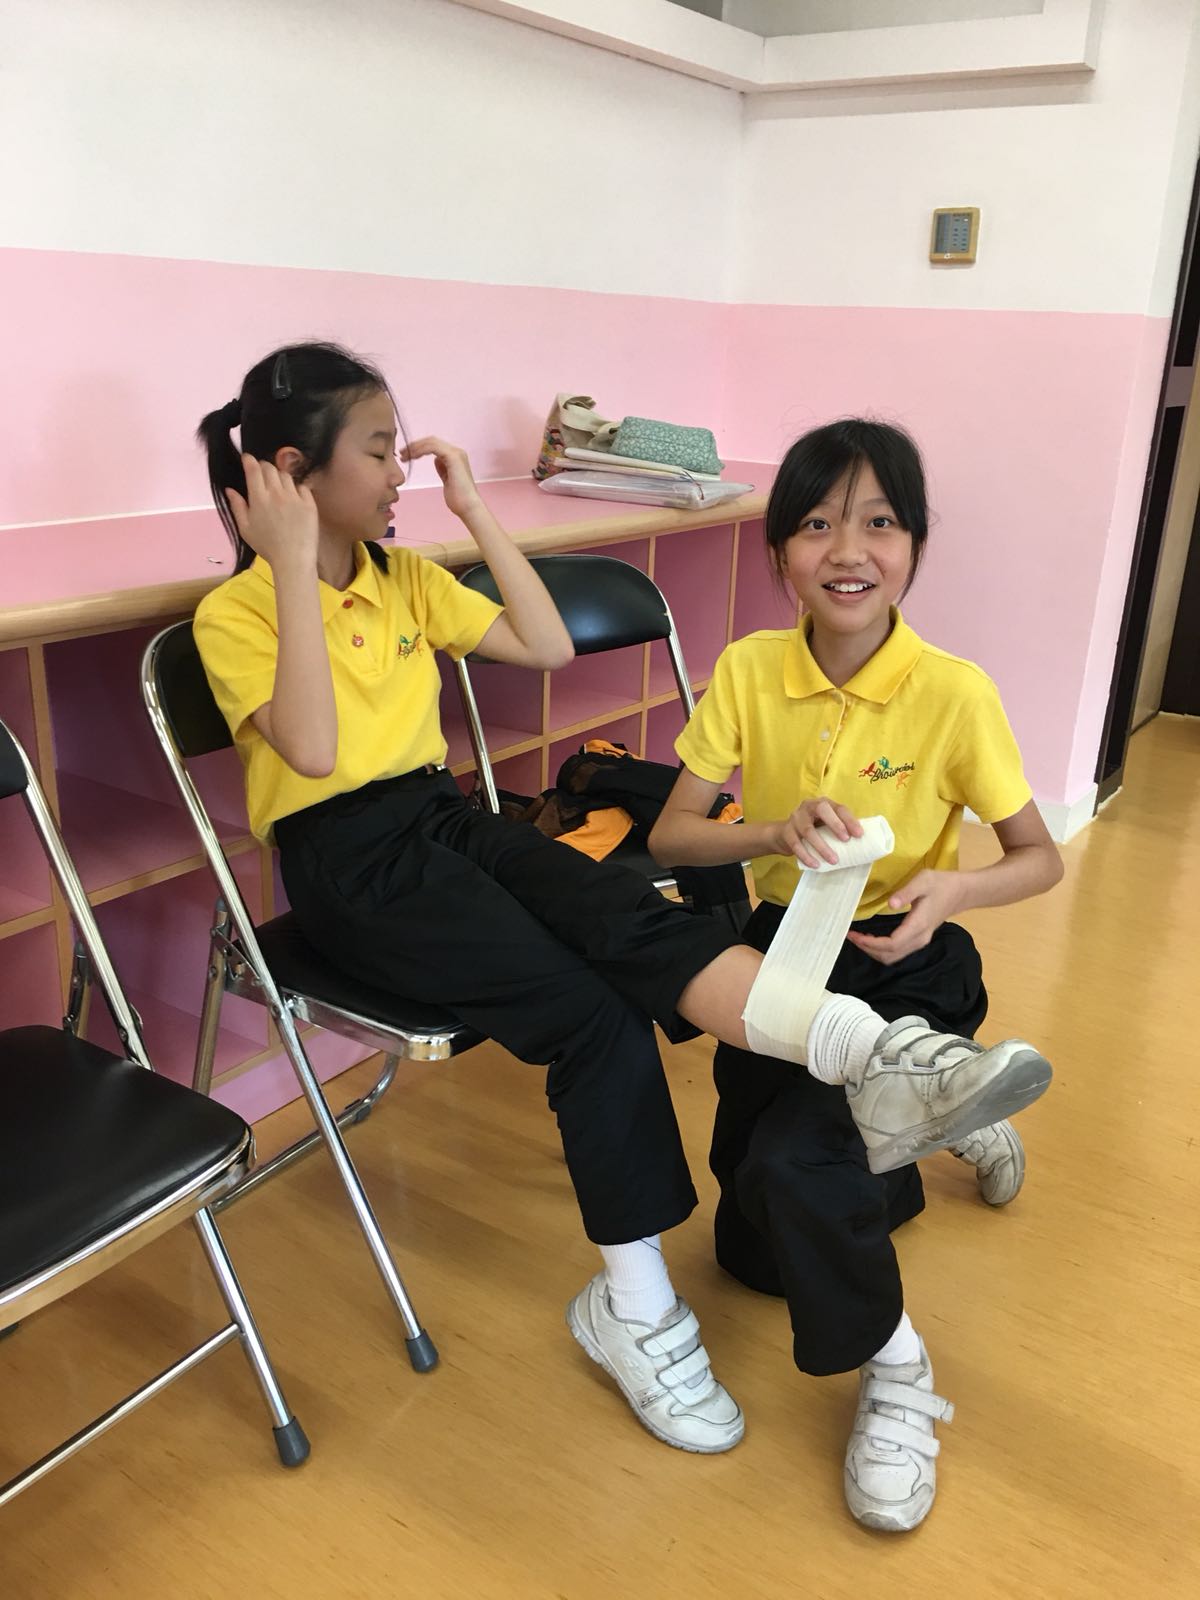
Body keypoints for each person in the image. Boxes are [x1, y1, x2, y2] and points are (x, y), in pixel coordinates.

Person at [193, 348, 1051, 1467]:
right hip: (351, 861)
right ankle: (634, 1305)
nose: (402, 467)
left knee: (618, 910)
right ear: (295, 472)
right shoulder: (237, 612)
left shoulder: (402, 577)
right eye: (379, 448)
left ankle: (872, 1051)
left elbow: (545, 646)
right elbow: (309, 750)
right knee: (593, 1014)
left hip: (443, 814)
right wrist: (287, 562)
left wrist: (473, 512)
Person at [650, 417, 1063, 1529]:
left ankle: (898, 1373)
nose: (849, 550)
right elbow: (671, 835)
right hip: (785, 962)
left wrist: (952, 890)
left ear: (915, 545)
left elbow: (1040, 857)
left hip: (906, 966)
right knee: (751, 1254)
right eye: (819, 524)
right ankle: (942, 1112)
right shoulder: (749, 670)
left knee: (798, 1166)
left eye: (880, 523)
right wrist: (771, 829)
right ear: (779, 550)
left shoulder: (954, 692)